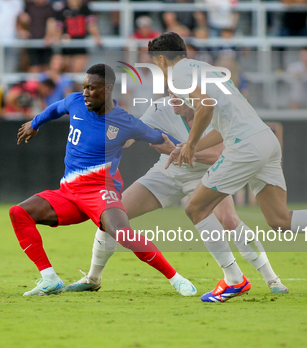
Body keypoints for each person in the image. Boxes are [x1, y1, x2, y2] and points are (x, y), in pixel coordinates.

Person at [148, 32, 307, 302]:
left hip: (245, 146)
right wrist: (189, 146)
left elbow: (205, 107)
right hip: (265, 139)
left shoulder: (178, 73)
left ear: (160, 59)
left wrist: (191, 144)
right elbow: (220, 124)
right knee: (279, 219)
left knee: (195, 207)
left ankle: (233, 280)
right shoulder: (208, 70)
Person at [66, 92, 288, 294]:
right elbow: (132, 135)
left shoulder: (218, 115)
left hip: (208, 175)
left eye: (179, 94)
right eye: (171, 92)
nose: (172, 98)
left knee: (229, 220)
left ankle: (272, 279)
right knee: (111, 216)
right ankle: (93, 278)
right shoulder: (159, 108)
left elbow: (223, 156)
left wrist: (178, 150)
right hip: (167, 173)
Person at [11, 64, 196, 296]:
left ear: (108, 89)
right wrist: (34, 123)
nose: (86, 93)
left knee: (123, 234)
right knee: (19, 213)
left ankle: (176, 279)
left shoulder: (125, 121)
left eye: (93, 88)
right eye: (85, 87)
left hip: (100, 191)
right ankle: (49, 278)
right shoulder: (76, 101)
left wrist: (180, 150)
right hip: (68, 192)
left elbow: (159, 137)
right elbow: (56, 108)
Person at [50, 0, 102, 73]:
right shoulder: (62, 10)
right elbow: (58, 27)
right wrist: (57, 37)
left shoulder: (85, 9)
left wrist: (97, 37)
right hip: (66, 44)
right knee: (66, 70)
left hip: (80, 44)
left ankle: (76, 86)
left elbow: (91, 24)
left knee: (77, 70)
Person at [19, 0, 56, 73]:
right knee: (33, 70)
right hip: (31, 42)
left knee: (46, 70)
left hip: (45, 43)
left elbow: (51, 22)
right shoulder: (27, 6)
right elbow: (19, 18)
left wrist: (49, 36)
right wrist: (21, 30)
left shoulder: (49, 7)